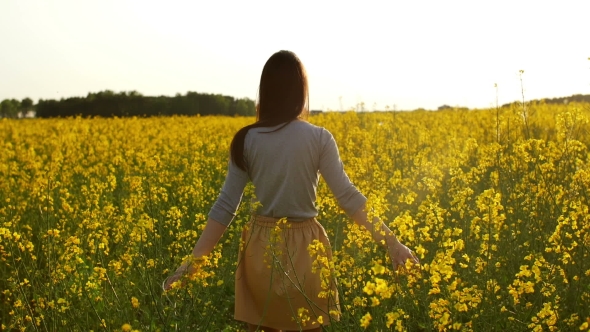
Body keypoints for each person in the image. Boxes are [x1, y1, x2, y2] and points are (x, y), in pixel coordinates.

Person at [164, 50, 419, 332]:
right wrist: (393, 245)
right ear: (301, 92)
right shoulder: (319, 138)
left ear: (265, 91)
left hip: (261, 252)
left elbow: (226, 207)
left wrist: (190, 265)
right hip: (307, 250)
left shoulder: (246, 139)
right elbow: (348, 197)